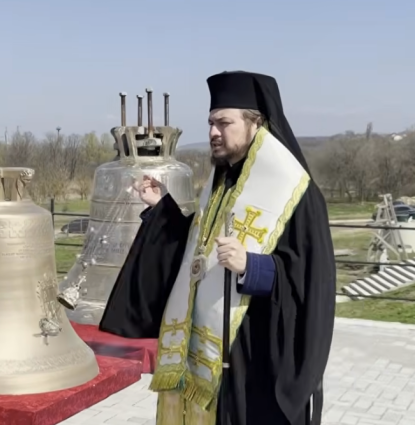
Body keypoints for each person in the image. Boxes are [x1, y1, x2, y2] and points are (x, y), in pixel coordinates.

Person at [99, 71, 335, 425]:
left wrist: (252, 267)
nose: (213, 132)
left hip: (254, 354)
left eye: (224, 123)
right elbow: (199, 249)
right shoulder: (221, 182)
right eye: (211, 123)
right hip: (207, 351)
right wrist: (163, 208)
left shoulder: (296, 192)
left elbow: (310, 281)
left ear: (256, 124)